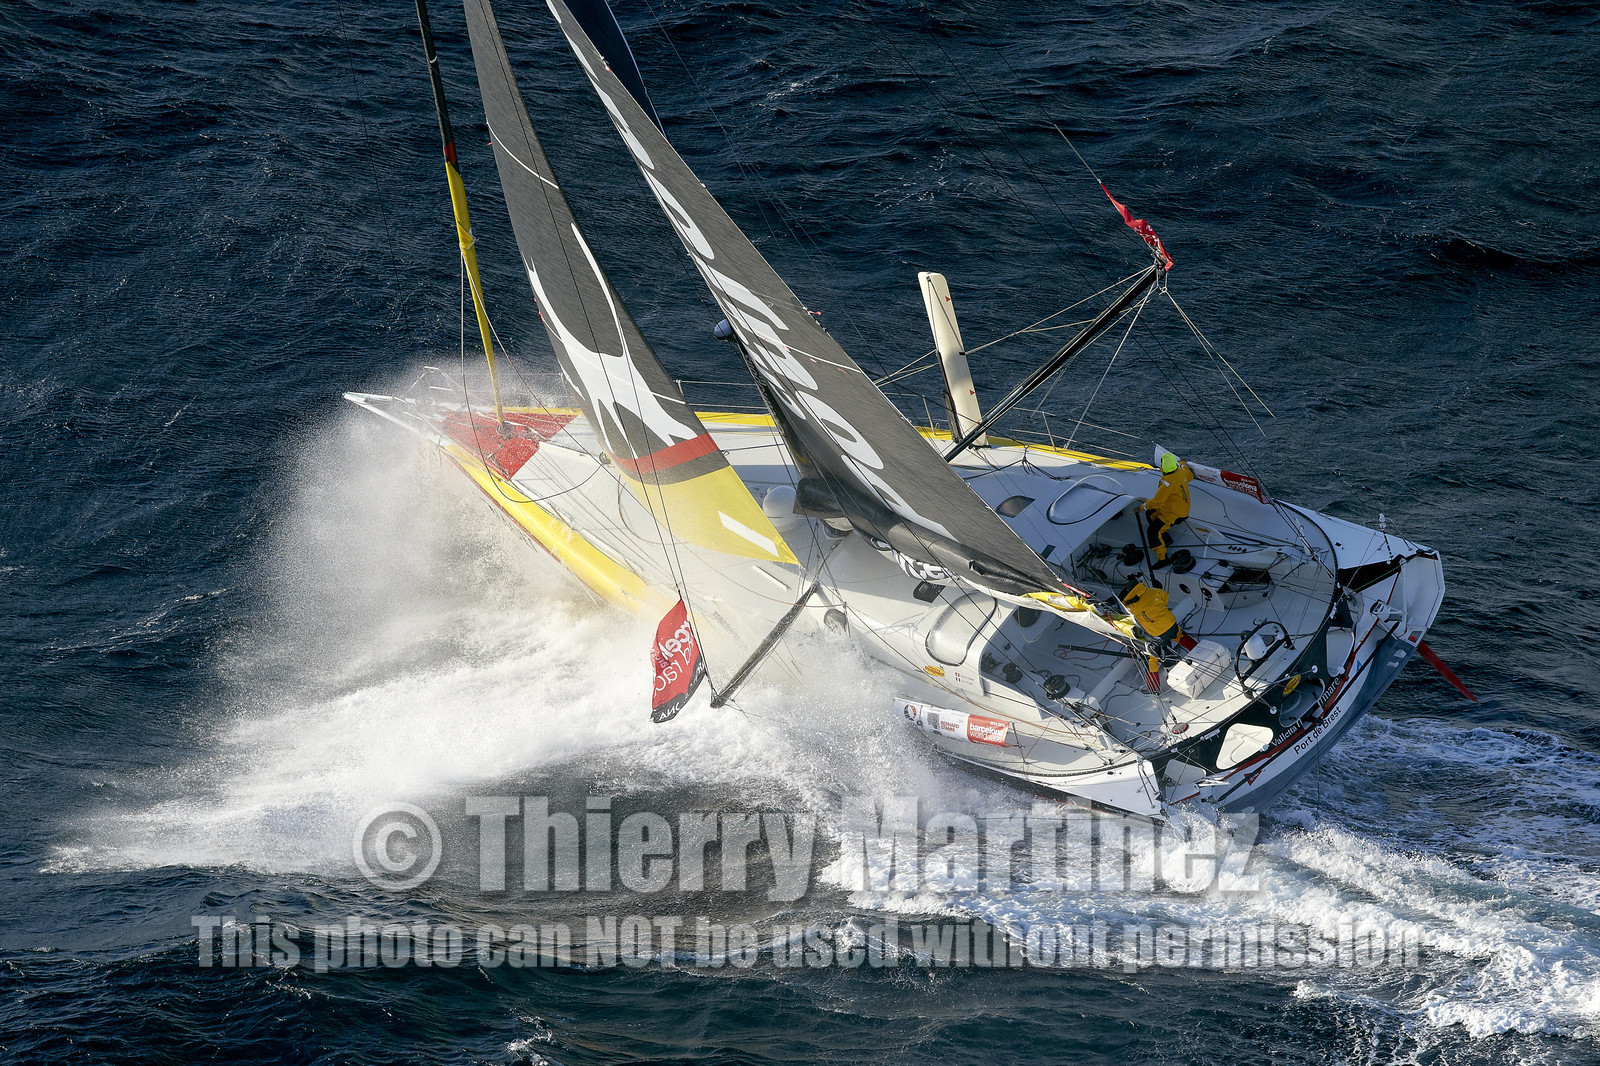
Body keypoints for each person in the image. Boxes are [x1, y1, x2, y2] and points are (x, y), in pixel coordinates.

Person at [1142, 452, 1193, 562]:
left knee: (1153, 531)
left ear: (1164, 466)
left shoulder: (1167, 482)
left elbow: (1157, 502)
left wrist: (1142, 507)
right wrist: (1183, 463)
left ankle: (1163, 559)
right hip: (1179, 508)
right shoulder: (1181, 472)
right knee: (1150, 513)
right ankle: (1165, 537)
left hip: (1174, 514)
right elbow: (1190, 475)